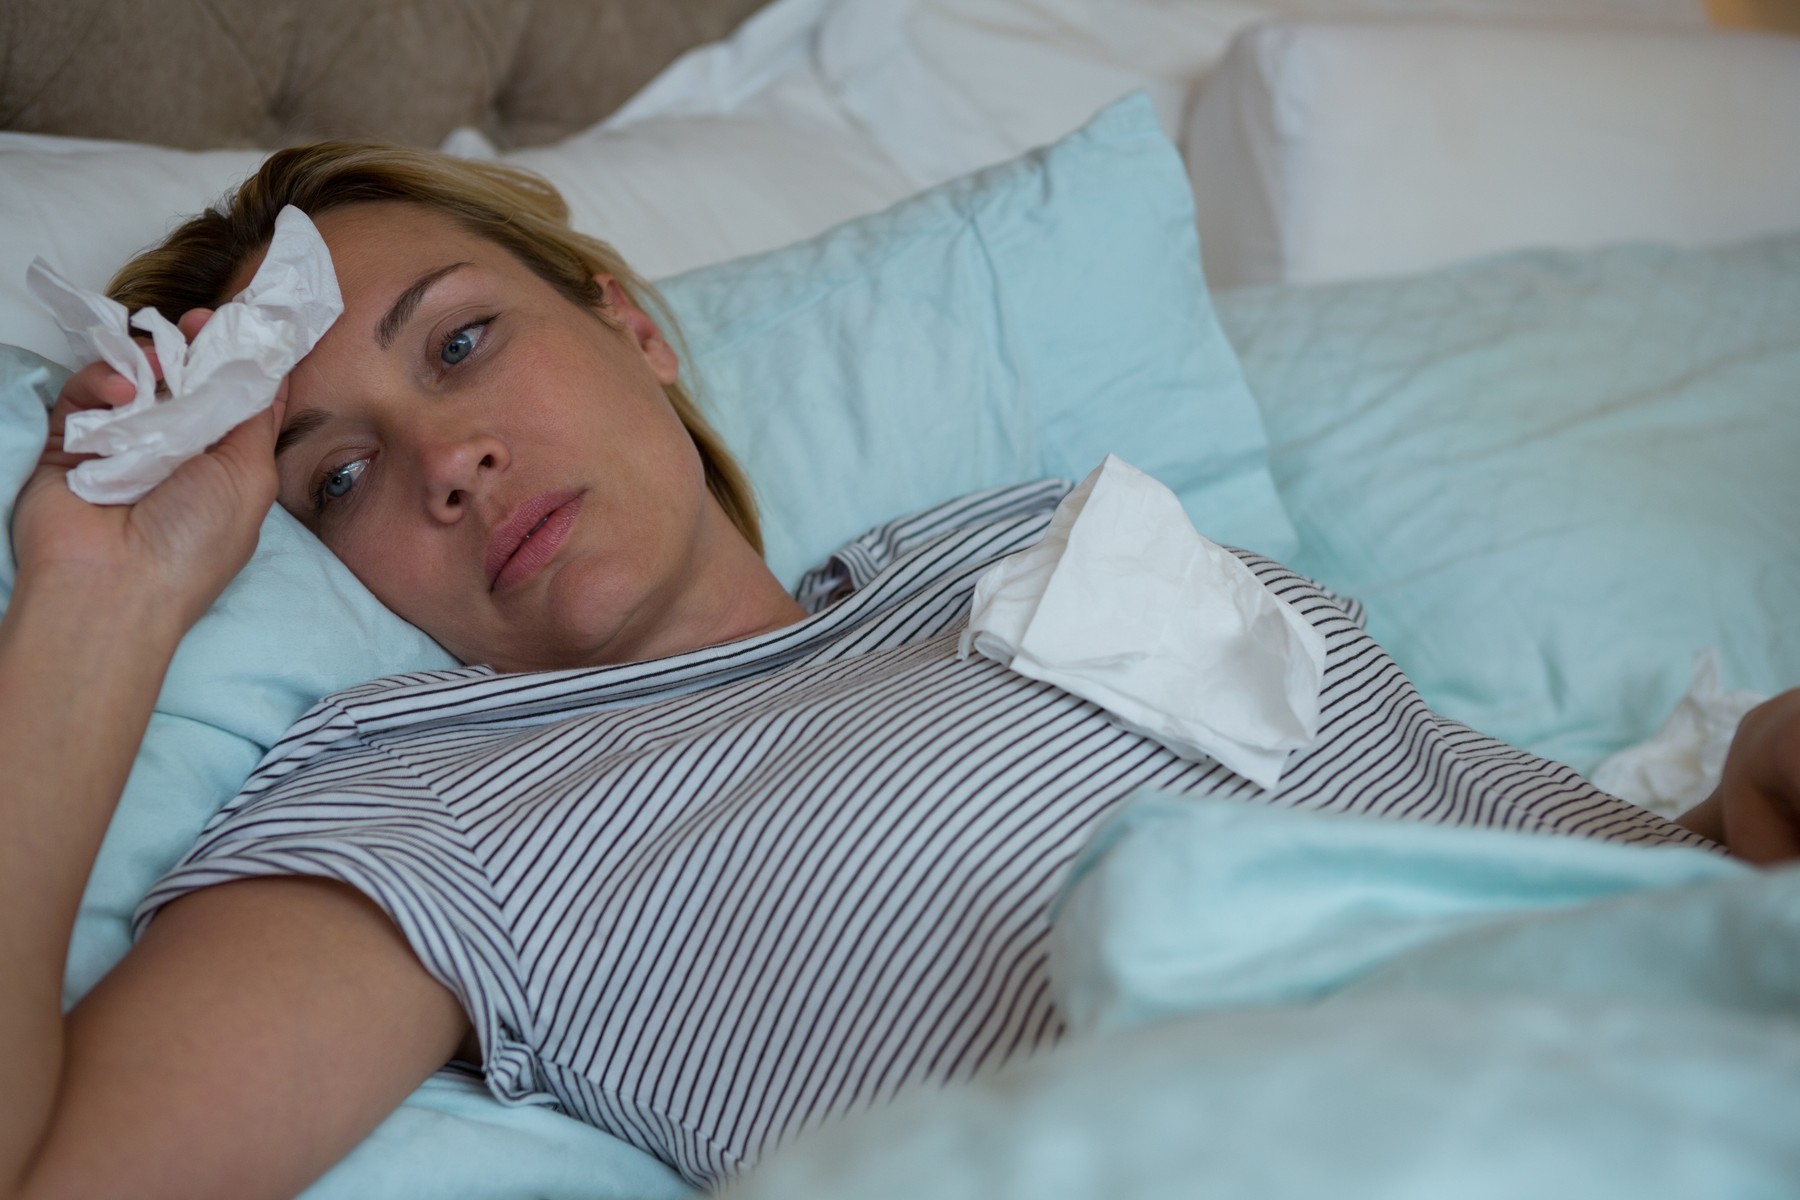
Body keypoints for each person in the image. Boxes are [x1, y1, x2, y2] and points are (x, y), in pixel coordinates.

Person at [2, 141, 1794, 1200]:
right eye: (338, 475)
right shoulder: (430, 800)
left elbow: (1463, 841)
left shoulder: (1032, 528)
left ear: (628, 324)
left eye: (465, 343)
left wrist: (1734, 819)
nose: (442, 462)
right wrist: (98, 606)